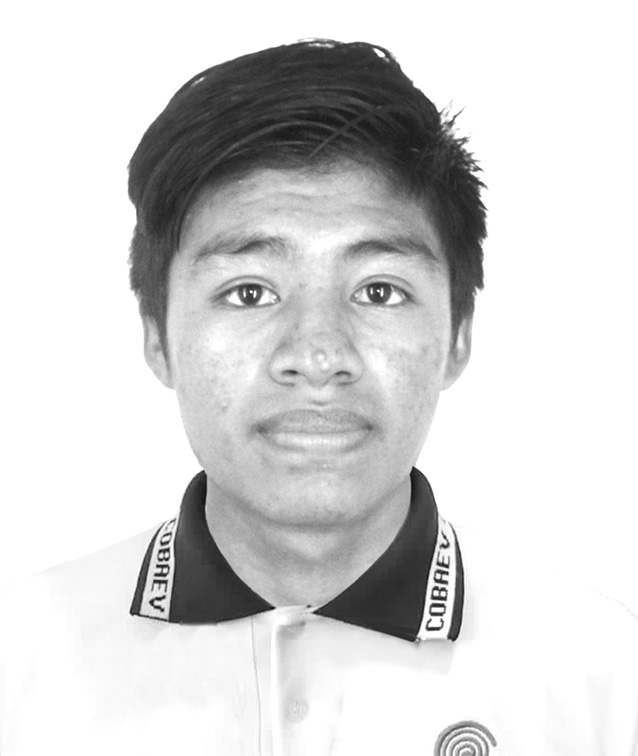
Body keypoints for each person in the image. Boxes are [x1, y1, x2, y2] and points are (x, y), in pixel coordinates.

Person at [0, 39, 636, 755]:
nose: (318, 356)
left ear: (458, 336)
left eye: (379, 291)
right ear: (157, 336)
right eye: (249, 292)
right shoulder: (19, 663)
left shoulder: (605, 680)